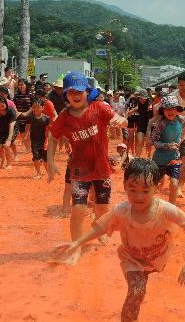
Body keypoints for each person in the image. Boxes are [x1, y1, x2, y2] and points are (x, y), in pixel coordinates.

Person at [54, 158, 185, 322]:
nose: (138, 196)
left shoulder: (166, 210)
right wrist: (78, 242)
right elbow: (100, 227)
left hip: (158, 257)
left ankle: (132, 312)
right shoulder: (122, 211)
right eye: (132, 189)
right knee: (136, 290)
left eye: (145, 190)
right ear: (124, 186)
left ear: (157, 188)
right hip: (131, 258)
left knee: (139, 290)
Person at [47, 72, 127, 264]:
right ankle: (76, 247)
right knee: (78, 210)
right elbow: (53, 138)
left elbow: (119, 118)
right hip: (79, 171)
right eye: (71, 91)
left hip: (101, 169)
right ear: (65, 94)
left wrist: (120, 120)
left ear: (87, 92)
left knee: (103, 210)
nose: (75, 95)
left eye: (79, 91)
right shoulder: (64, 118)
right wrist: (50, 162)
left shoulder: (99, 108)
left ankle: (96, 227)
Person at [150, 94, 185, 206]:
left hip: (174, 158)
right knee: (153, 185)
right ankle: (149, 206)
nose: (171, 112)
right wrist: (168, 145)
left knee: (174, 182)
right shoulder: (160, 123)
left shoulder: (181, 120)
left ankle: (172, 207)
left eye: (173, 109)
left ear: (177, 109)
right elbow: (153, 141)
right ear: (163, 110)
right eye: (167, 109)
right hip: (159, 159)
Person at [25, 99, 52, 179]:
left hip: (44, 141)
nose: (35, 109)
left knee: (45, 160)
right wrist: (26, 135)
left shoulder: (46, 119)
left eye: (37, 107)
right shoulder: (30, 117)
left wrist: (47, 141)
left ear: (42, 108)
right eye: (34, 107)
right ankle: (38, 173)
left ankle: (49, 173)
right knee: (36, 158)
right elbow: (27, 126)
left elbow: (49, 131)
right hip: (34, 141)